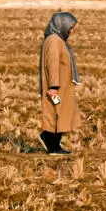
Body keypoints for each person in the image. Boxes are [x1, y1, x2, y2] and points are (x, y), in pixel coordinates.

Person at [39, 11, 81, 155]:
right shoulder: (54, 41)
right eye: (70, 27)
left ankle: (53, 144)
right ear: (61, 25)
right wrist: (54, 86)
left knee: (61, 114)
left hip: (62, 84)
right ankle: (52, 146)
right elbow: (53, 63)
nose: (72, 30)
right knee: (56, 114)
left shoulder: (58, 39)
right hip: (57, 85)